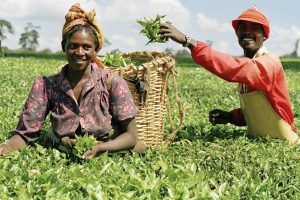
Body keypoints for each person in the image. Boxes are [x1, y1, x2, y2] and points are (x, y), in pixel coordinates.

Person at [0, 3, 146, 158]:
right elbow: (25, 132)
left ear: (95, 50)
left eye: (86, 47)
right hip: (65, 148)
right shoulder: (46, 85)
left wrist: (101, 148)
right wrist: (6, 147)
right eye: (73, 46)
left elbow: (131, 136)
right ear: (64, 46)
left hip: (106, 146)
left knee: (139, 148)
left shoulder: (112, 83)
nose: (79, 52)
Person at [159, 6, 299, 143]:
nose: (247, 32)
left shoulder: (269, 62)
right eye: (243, 27)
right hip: (260, 141)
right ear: (237, 33)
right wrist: (231, 117)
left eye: (255, 28)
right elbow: (260, 113)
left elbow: (233, 67)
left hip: (284, 140)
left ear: (264, 36)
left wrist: (188, 41)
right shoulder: (248, 66)